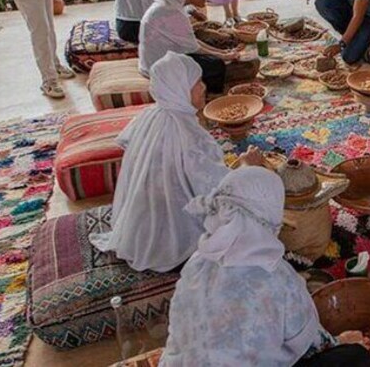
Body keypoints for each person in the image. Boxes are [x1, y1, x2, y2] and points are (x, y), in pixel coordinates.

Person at [160, 165, 370, 367]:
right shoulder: (276, 278)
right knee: (357, 357)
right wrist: (345, 342)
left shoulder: (197, 261)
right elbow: (311, 343)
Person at [90, 51, 265, 273]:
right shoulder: (189, 135)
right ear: (178, 89)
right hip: (172, 231)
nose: (203, 87)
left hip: (144, 220)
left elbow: (131, 145)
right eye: (196, 83)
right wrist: (246, 166)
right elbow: (217, 191)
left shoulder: (150, 115)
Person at [139, 0, 238, 93]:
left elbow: (190, 40)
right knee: (215, 65)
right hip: (159, 66)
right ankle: (210, 95)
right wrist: (224, 56)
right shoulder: (169, 11)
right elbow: (194, 47)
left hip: (162, 57)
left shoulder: (165, 4)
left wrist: (222, 51)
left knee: (209, 47)